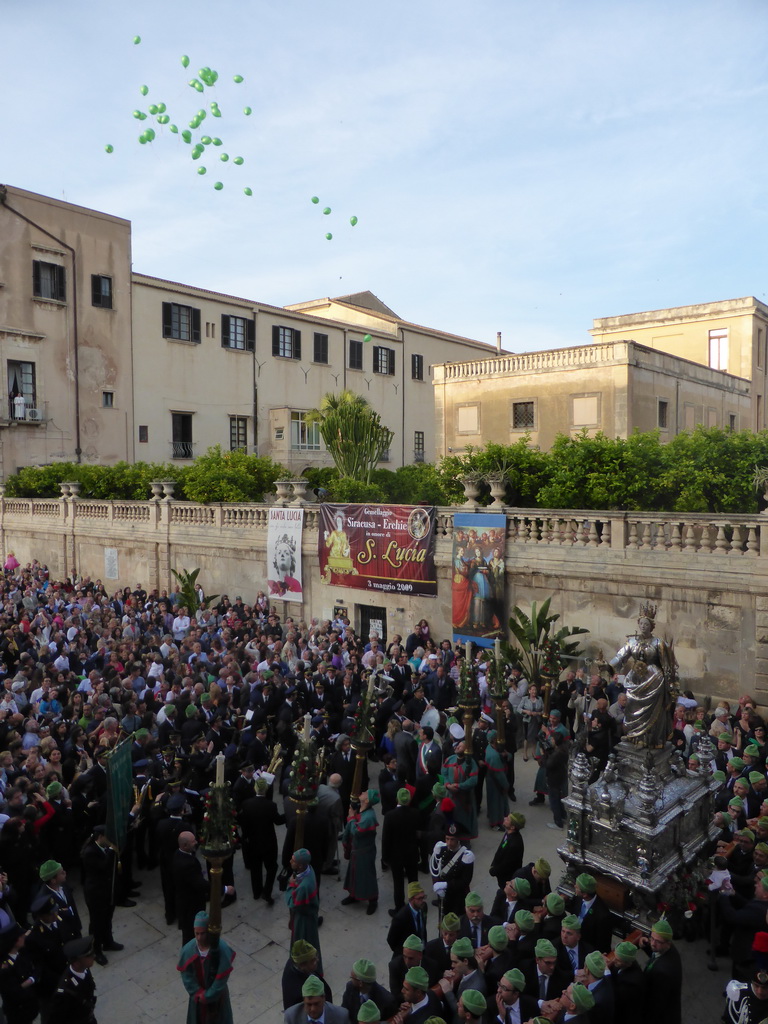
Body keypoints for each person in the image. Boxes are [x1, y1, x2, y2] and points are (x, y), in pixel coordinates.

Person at [177, 911, 235, 1024]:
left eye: (202, 933)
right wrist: (197, 992)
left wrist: (209, 995)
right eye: (196, 933)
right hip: (198, 1000)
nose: (199, 937)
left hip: (218, 999)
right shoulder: (189, 949)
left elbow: (221, 978)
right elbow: (186, 975)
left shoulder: (221, 948)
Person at [79, 824, 123, 966]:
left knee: (107, 918)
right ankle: (96, 949)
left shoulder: (101, 848)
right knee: (97, 923)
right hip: (96, 893)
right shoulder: (90, 852)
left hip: (107, 890)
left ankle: (108, 941)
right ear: (100, 837)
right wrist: (111, 851)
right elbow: (102, 866)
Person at [341, 789, 380, 915]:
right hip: (356, 850)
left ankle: (372, 899)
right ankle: (354, 895)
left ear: (367, 800)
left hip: (365, 852)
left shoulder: (369, 817)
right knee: (354, 873)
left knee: (367, 876)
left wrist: (351, 818)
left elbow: (356, 831)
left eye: (365, 793)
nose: (362, 792)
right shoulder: (361, 809)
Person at [638, 917, 682, 1024]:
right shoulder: (668, 949)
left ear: (668, 943)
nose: (652, 943)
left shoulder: (662, 972)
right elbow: (655, 953)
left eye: (657, 941)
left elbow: (655, 1005)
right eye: (652, 938)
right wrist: (646, 946)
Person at [48, 936, 98, 1024]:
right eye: (89, 955)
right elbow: (56, 1019)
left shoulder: (85, 969)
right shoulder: (64, 992)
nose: (94, 956)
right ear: (77, 963)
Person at [430, 824, 475, 916]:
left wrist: (446, 884)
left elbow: (465, 881)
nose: (449, 843)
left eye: (452, 839)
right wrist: (436, 884)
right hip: (443, 895)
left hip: (458, 896)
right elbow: (435, 870)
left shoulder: (466, 856)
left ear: (458, 839)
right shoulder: (440, 849)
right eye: (447, 839)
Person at [173, 832, 209, 945]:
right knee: (190, 938)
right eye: (193, 841)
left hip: (184, 904)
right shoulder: (187, 864)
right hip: (190, 907)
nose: (196, 843)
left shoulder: (178, 854)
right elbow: (199, 883)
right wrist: (223, 889)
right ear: (184, 845)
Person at [285, 848, 321, 956]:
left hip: (303, 922)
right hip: (310, 915)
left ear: (300, 866)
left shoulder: (304, 887)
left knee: (302, 945)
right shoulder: (310, 868)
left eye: (293, 860)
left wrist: (291, 885)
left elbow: (292, 903)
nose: (290, 862)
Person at [340, 959, 396, 1024]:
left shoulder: (387, 1001)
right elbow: (344, 1011)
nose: (351, 980)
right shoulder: (350, 987)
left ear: (360, 983)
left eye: (352, 977)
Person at [284, 974, 350, 1024]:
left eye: (316, 1004)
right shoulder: (291, 1017)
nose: (313, 1009)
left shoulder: (341, 1016)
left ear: (324, 998)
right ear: (303, 1000)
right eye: (309, 1004)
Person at [488, 813, 525, 884]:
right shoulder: (509, 833)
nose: (504, 818)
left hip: (507, 878)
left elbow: (506, 865)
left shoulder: (514, 845)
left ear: (512, 827)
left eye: (508, 819)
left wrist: (494, 871)